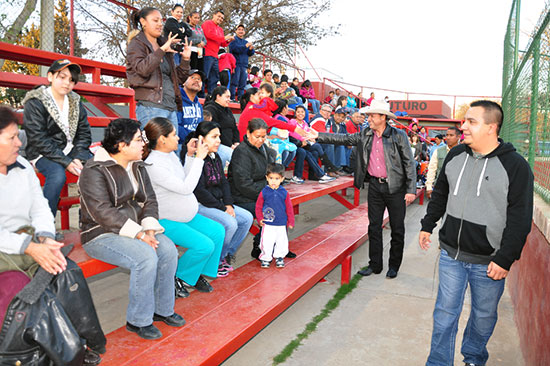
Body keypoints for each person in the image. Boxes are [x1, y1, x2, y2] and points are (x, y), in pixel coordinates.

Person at [419, 100, 534, 366]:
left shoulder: (516, 167)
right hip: (451, 256)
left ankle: (473, 358)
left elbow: (520, 219)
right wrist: (428, 225)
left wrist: (505, 258)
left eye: (472, 121)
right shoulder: (455, 155)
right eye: (464, 121)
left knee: (483, 318)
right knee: (444, 315)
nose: (464, 126)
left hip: (489, 262)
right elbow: (440, 194)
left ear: (491, 127)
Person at [0, 105, 105, 365]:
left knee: (67, 271)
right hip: (7, 249)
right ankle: (41, 356)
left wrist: (46, 237)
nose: (19, 142)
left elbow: (39, 207)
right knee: (27, 294)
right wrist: (30, 247)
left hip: (29, 241)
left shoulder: (22, 165)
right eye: (11, 137)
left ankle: (81, 344)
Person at [79, 118, 184, 340]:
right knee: (146, 257)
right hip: (100, 233)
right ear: (121, 145)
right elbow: (102, 212)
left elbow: (150, 201)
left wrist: (148, 228)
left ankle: (162, 310)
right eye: (137, 140)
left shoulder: (137, 165)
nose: (142, 145)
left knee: (167, 250)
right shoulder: (94, 170)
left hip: (136, 228)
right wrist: (137, 233)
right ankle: (138, 320)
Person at [313, 100, 416, 279]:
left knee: (397, 229)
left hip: (396, 188)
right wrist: (317, 136)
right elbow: (343, 139)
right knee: (373, 227)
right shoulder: (365, 133)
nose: (367, 118)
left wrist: (411, 189)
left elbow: (409, 163)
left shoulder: (398, 135)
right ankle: (375, 265)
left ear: (383, 118)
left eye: (372, 116)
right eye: (368, 115)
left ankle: (394, 266)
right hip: (375, 186)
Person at [143, 118, 227, 286]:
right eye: (174, 135)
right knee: (204, 245)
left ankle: (194, 274)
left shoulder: (169, 155)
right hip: (166, 220)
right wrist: (199, 159)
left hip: (185, 216)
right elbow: (186, 188)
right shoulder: (153, 164)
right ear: (162, 139)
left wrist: (190, 156)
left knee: (218, 231)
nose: (178, 138)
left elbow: (185, 177)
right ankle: (178, 277)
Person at [22, 59, 92, 216]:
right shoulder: (35, 102)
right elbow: (38, 139)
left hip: (70, 151)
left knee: (98, 167)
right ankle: (45, 227)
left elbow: (84, 134)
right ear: (50, 77)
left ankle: (90, 221)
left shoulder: (75, 102)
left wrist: (79, 158)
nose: (67, 83)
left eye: (71, 80)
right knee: (57, 175)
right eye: (62, 77)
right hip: (43, 152)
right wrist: (66, 162)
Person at [192, 121, 253, 271]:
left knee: (246, 219)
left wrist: (229, 204)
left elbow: (224, 183)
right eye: (214, 136)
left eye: (219, 136)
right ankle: (215, 261)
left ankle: (225, 255)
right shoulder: (194, 159)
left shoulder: (216, 156)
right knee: (230, 223)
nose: (219, 140)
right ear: (202, 139)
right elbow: (199, 191)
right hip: (201, 205)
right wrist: (222, 208)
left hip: (218, 202)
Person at [127, 7, 192, 133]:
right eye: (155, 20)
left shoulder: (164, 44)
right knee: (153, 150)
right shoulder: (136, 44)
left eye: (161, 21)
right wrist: (161, 50)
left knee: (172, 150)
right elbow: (142, 69)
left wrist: (185, 59)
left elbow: (178, 79)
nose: (160, 24)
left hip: (171, 107)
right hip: (151, 107)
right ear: (143, 22)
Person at [255, 163, 295, 268]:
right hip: (268, 223)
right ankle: (265, 258)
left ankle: (279, 257)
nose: (273, 181)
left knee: (281, 241)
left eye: (277, 178)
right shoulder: (264, 192)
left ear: (282, 179)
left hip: (281, 223)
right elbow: (258, 207)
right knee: (267, 241)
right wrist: (259, 218)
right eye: (271, 178)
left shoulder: (284, 193)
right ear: (266, 178)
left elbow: (289, 208)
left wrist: (291, 221)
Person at [237, 84, 307, 141]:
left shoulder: (253, 107)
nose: (261, 96)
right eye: (259, 94)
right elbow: (272, 121)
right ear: (252, 97)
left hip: (251, 140)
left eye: (262, 93)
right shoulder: (252, 108)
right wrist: (294, 128)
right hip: (247, 143)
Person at [288, 105, 335, 184]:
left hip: (305, 144)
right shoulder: (292, 121)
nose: (300, 114)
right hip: (296, 143)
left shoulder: (304, 123)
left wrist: (311, 138)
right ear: (295, 113)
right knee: (311, 148)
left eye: (302, 112)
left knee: (315, 152)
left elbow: (308, 133)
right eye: (298, 112)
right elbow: (292, 133)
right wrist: (304, 138)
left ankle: (313, 175)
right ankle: (327, 167)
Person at [204, 86, 240, 167]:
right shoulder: (210, 109)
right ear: (218, 96)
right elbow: (215, 131)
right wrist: (230, 145)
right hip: (218, 144)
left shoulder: (227, 109)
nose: (229, 99)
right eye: (227, 97)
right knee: (236, 157)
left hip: (231, 145)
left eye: (230, 97)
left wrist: (236, 142)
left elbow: (234, 128)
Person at [202, 9, 234, 95]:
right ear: (214, 15)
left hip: (215, 56)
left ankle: (211, 95)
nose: (220, 19)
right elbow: (209, 35)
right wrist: (224, 38)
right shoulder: (207, 23)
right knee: (204, 75)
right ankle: (200, 94)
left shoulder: (220, 30)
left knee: (214, 78)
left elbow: (222, 43)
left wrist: (228, 40)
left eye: (222, 18)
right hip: (207, 54)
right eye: (219, 16)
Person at [425, 126, 460, 198]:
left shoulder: (463, 151)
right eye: (447, 135)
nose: (448, 138)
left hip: (458, 189)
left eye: (451, 135)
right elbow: (432, 169)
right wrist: (429, 187)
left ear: (458, 137)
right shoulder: (438, 151)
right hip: (440, 188)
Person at [177, 69, 205, 142]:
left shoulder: (199, 106)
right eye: (192, 78)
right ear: (183, 82)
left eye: (199, 79)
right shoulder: (177, 101)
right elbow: (176, 127)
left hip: (196, 143)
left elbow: (201, 127)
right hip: (180, 144)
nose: (197, 81)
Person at [229, 24, 255, 100]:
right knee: (234, 82)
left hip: (244, 65)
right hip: (235, 64)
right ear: (236, 31)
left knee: (242, 84)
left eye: (242, 30)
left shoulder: (245, 42)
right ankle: (232, 98)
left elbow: (250, 53)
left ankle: (240, 99)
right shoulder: (233, 40)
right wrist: (245, 46)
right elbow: (235, 49)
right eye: (239, 29)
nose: (241, 31)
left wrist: (251, 49)